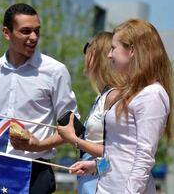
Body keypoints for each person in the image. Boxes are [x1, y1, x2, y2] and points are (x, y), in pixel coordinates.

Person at [0, 3, 78, 194]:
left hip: (35, 172)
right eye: (25, 31)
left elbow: (73, 127)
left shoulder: (55, 71)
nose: (33, 37)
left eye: (36, 31)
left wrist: (39, 145)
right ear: (6, 33)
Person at [68, 19, 172, 194]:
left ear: (131, 50)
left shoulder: (152, 94)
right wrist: (95, 165)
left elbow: (144, 158)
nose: (109, 55)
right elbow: (119, 154)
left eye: (113, 48)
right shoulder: (131, 91)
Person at [57, 32, 124, 194]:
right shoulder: (102, 96)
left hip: (102, 184)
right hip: (92, 179)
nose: (85, 54)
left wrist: (74, 140)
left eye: (88, 48)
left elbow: (120, 155)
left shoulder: (114, 96)